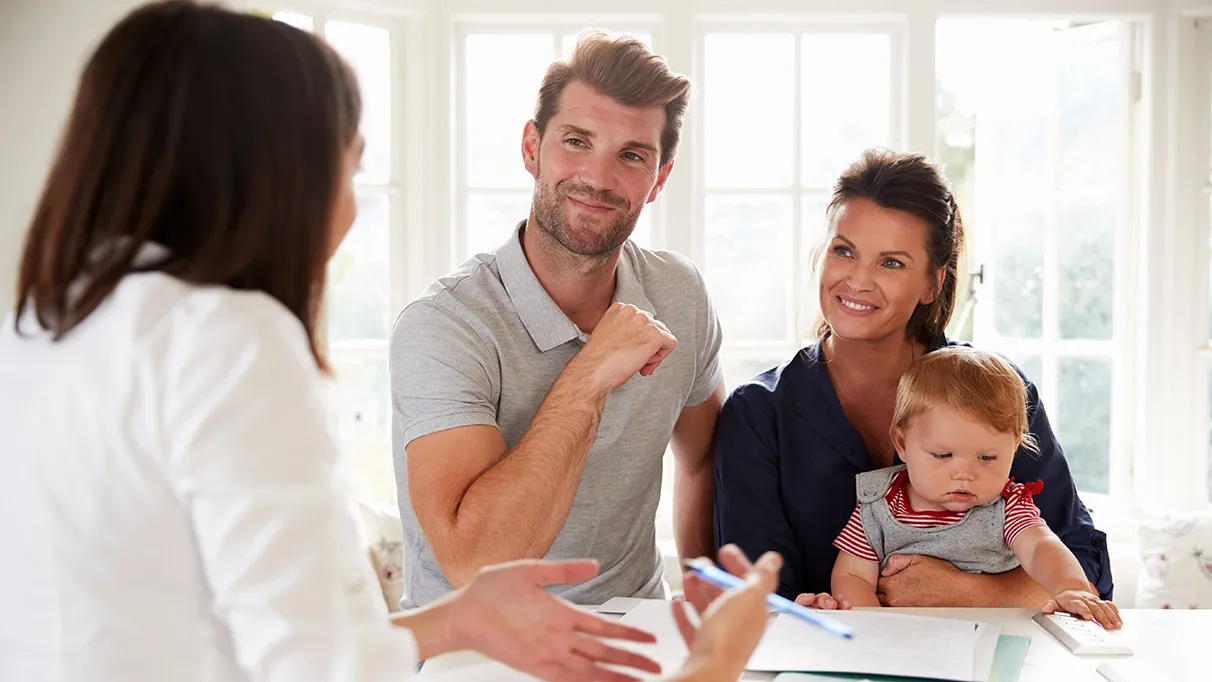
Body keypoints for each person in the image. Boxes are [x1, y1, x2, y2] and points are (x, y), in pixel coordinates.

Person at [0, 3, 768, 681]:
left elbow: (269, 628)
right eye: (347, 162)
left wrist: (458, 617)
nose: (347, 203)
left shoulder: (46, 322)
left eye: (631, 153)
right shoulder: (231, 339)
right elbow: (319, 661)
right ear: (270, 169)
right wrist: (711, 664)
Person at [391, 31, 723, 608]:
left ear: (660, 178)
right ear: (531, 148)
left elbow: (704, 460)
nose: (598, 177)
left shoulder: (680, 292)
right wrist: (592, 371)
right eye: (576, 141)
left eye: (632, 155)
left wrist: (700, 595)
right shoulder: (444, 325)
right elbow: (474, 560)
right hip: (479, 650)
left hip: (637, 632)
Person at [714, 148, 1113, 608]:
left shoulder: (999, 391)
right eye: (844, 251)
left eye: (892, 262)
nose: (858, 280)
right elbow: (754, 598)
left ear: (933, 283)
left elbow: (1087, 573)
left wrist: (969, 592)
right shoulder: (757, 416)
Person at [828, 347, 1121, 628]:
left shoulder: (1009, 507)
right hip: (906, 644)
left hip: (994, 638)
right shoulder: (879, 505)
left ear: (1014, 449)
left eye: (987, 458)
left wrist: (1069, 588)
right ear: (902, 444)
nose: (965, 474)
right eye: (943, 456)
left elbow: (1040, 547)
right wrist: (873, 627)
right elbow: (852, 576)